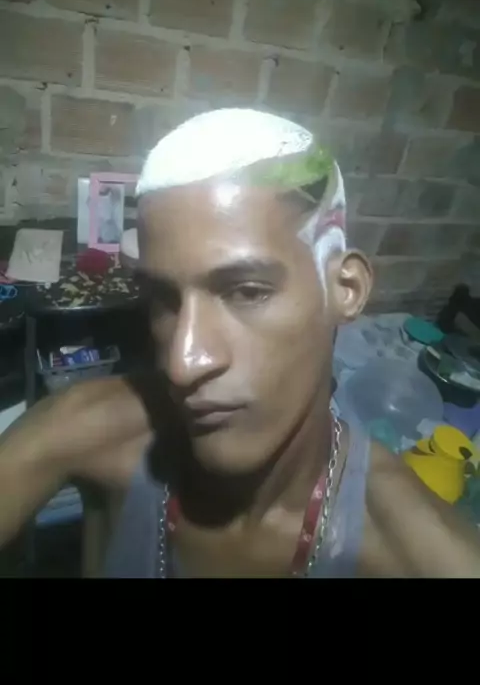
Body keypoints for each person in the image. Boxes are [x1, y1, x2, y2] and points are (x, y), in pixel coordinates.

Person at [1, 108, 480, 578]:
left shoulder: (421, 555)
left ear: (345, 288)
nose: (183, 363)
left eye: (247, 292)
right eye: (163, 299)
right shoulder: (86, 431)